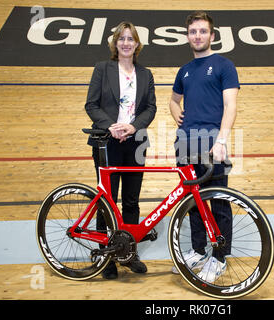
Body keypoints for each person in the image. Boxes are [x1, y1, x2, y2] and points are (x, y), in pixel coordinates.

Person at [169, 11, 240, 282]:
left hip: (213, 145)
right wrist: (176, 112)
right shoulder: (185, 70)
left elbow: (231, 105)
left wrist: (222, 140)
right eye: (193, 32)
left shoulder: (224, 65)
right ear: (188, 36)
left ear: (211, 35)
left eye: (202, 31)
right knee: (193, 202)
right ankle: (198, 250)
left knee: (219, 201)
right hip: (185, 144)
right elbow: (173, 100)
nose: (197, 36)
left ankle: (219, 257)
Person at [85, 21, 157, 279]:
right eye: (122, 38)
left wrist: (133, 127)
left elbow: (151, 108)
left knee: (131, 201)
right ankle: (107, 257)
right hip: (107, 142)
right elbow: (91, 105)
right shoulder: (102, 69)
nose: (126, 43)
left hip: (135, 143)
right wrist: (112, 126)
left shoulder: (146, 74)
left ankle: (128, 253)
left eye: (131, 39)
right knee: (107, 201)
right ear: (115, 43)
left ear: (137, 44)